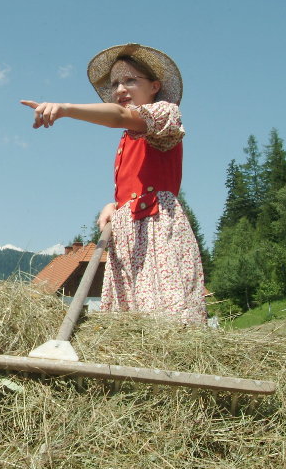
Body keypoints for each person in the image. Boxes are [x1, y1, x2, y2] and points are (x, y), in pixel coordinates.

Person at [21, 43, 206, 324]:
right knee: (128, 316)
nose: (120, 89)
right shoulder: (127, 138)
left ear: (155, 86)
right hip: (127, 231)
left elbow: (119, 117)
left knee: (163, 311)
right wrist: (116, 205)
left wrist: (65, 109)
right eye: (116, 83)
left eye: (131, 80)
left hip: (155, 229)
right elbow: (135, 182)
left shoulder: (165, 114)